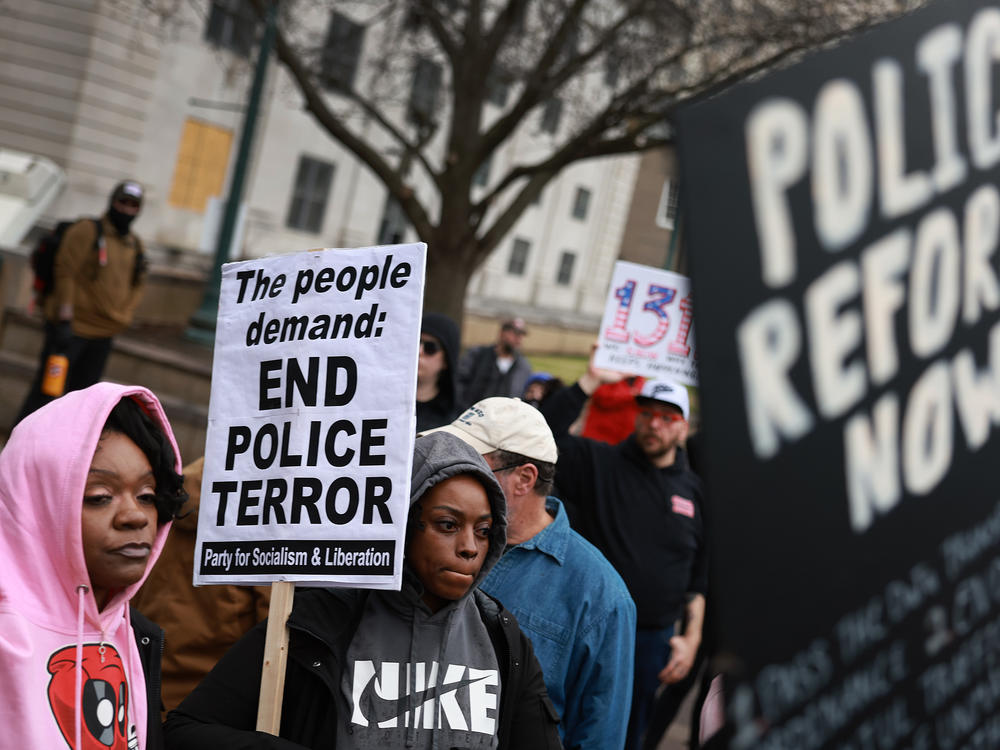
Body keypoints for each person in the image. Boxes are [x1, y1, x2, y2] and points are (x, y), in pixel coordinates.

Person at [163, 431, 563, 749]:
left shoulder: (501, 637)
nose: (469, 547)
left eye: (483, 531)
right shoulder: (317, 622)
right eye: (447, 525)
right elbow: (186, 729)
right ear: (402, 526)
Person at [422, 397, 636, 750]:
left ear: (523, 479)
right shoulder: (425, 541)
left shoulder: (601, 596)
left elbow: (600, 735)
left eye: (471, 463)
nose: (449, 471)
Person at [0, 382, 187, 750]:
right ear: (37, 506)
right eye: (100, 497)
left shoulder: (135, 634)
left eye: (147, 495)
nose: (135, 516)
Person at [541, 363, 707, 750]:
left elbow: (700, 571)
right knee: (565, 726)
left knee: (630, 735)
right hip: (590, 630)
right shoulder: (600, 463)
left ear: (683, 428)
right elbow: (542, 434)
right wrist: (590, 381)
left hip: (654, 641)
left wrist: (692, 636)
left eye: (667, 418)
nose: (654, 424)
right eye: (646, 414)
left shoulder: (694, 491)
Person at [131, 456, 271, 715]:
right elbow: (277, 643)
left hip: (141, 691)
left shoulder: (167, 494)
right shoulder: (266, 513)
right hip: (211, 709)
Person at [17, 180, 148, 423]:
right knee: (47, 394)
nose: (127, 209)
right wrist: (65, 319)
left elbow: (138, 283)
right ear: (112, 201)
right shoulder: (87, 230)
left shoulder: (135, 245)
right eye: (123, 202)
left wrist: (124, 315)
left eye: (133, 205)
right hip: (72, 330)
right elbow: (65, 272)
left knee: (82, 400)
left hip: (104, 334)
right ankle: (18, 450)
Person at [457, 316, 532, 405]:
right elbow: (459, 382)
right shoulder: (477, 355)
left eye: (521, 335)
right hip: (472, 414)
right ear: (501, 333)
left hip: (503, 417)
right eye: (515, 334)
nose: (518, 339)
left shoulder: (523, 366)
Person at [415, 311, 462, 432]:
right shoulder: (385, 401)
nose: (419, 351)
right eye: (416, 343)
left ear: (446, 360)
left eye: (430, 347)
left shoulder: (456, 420)